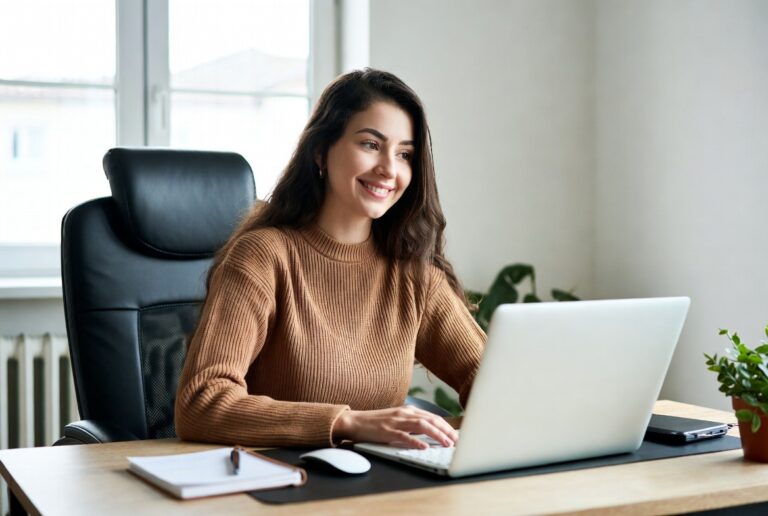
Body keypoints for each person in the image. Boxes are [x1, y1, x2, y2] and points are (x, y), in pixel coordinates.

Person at [175, 68, 485, 450]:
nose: (389, 168)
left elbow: (494, 380)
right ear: (321, 151)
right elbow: (201, 403)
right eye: (371, 145)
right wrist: (346, 423)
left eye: (404, 154)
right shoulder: (264, 257)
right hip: (277, 485)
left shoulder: (413, 275)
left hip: (383, 489)